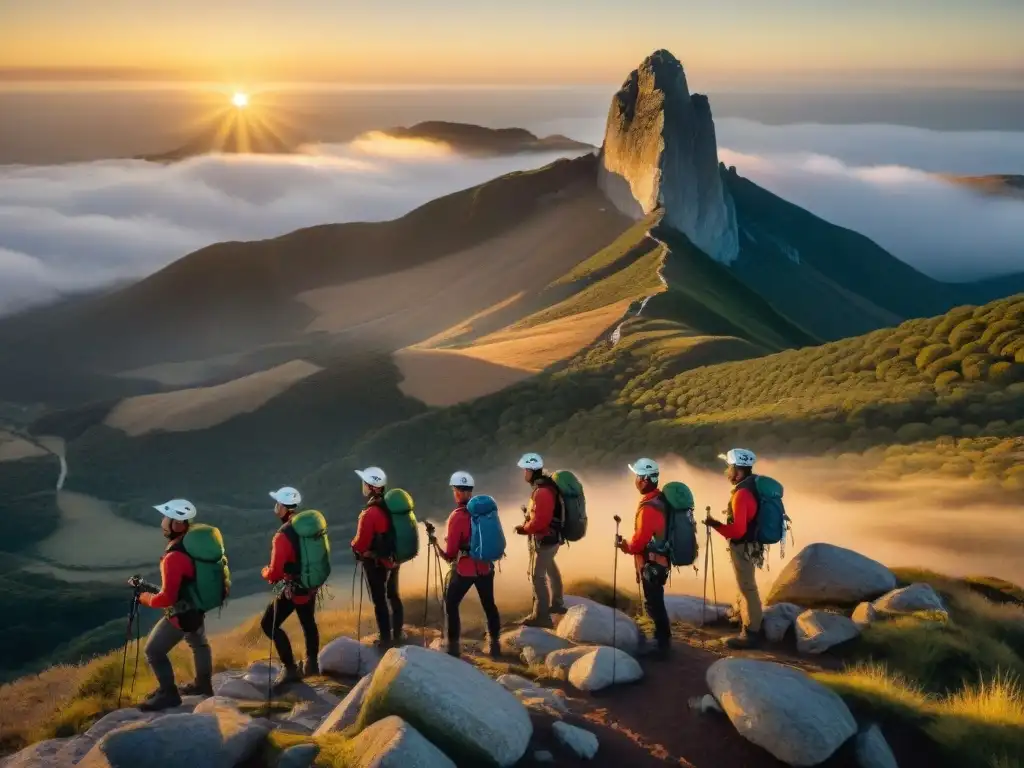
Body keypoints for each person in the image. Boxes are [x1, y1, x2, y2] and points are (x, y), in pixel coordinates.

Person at [132, 499, 214, 711]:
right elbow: (181, 585)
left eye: (165, 518)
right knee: (198, 643)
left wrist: (144, 598)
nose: (162, 522)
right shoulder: (196, 547)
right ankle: (203, 685)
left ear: (176, 523)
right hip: (198, 606)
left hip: (181, 613)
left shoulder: (174, 556)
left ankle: (168, 694)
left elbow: (167, 598)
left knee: (153, 651)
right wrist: (150, 588)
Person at [433, 471, 501, 659]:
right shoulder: (485, 512)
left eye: (455, 490)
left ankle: (453, 647)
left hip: (465, 570)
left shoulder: (457, 517)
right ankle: (495, 644)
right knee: (489, 604)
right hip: (486, 567)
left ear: (457, 492)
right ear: (470, 491)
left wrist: (439, 548)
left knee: (451, 603)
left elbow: (451, 553)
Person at [261, 486, 321, 689]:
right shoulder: (308, 526)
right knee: (308, 622)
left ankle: (290, 669)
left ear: (283, 507)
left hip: (294, 588)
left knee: (268, 623)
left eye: (277, 503)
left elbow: (275, 572)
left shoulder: (283, 535)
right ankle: (312, 665)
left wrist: (266, 573)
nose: (275, 507)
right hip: (310, 584)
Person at [704, 448, 764, 649]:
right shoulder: (752, 486)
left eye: (729, 467)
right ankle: (747, 622)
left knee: (748, 587)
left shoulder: (742, 494)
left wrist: (715, 525)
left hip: (743, 546)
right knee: (747, 586)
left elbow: (737, 531)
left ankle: (752, 633)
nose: (727, 472)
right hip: (751, 545)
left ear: (738, 471)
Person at [617, 458, 672, 658]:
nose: (635, 480)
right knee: (657, 600)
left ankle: (661, 645)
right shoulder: (662, 499)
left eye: (637, 476)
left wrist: (626, 547)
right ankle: (662, 639)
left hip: (652, 563)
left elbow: (640, 541)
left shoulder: (649, 507)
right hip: (663, 559)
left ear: (644, 479)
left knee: (653, 602)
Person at [350, 466, 404, 648]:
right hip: (393, 559)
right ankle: (397, 633)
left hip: (377, 563)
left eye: (365, 483)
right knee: (393, 596)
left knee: (379, 600)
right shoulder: (392, 506)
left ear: (372, 487)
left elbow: (361, 543)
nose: (363, 486)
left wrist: (354, 546)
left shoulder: (370, 512)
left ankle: (385, 640)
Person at [513, 452, 566, 627]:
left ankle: (541, 616)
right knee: (550, 567)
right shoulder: (547, 487)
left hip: (545, 539)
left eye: (525, 470)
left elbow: (541, 520)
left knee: (537, 576)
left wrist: (524, 529)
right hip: (553, 537)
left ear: (531, 470)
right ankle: (557, 603)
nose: (524, 474)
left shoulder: (542, 491)